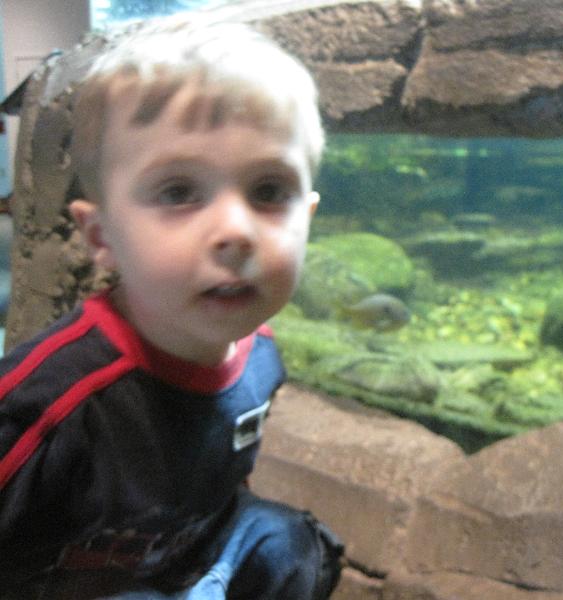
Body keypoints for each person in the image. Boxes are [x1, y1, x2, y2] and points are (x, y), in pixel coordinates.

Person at [0, 14, 342, 600]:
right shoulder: (48, 402)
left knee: (295, 547)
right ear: (102, 236)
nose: (236, 231)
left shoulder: (261, 355)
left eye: (268, 191)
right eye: (179, 192)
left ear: (307, 218)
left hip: (187, 553)